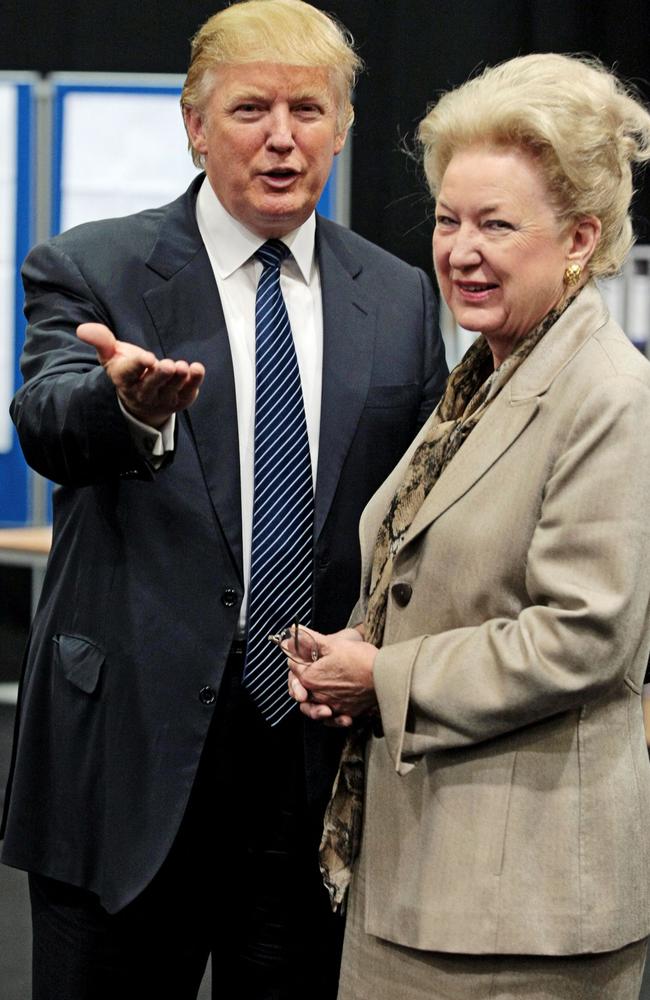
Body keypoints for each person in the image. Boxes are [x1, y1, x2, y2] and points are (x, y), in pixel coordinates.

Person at [0, 2, 447, 998]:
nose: (281, 136)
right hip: (123, 764)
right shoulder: (95, 264)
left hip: (308, 771)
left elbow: (413, 521)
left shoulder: (401, 299)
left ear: (342, 125)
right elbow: (48, 418)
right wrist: (125, 410)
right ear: (194, 125)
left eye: (308, 108)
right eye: (250, 108)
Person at [286, 53, 650, 999]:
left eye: (496, 224)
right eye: (450, 219)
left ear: (579, 239)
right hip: (420, 879)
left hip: (517, 917)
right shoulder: (485, 375)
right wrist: (361, 647)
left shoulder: (609, 395)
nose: (460, 249)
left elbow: (584, 635)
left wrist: (386, 678)